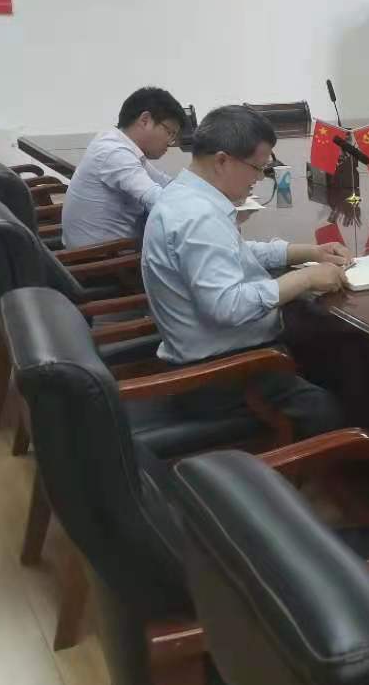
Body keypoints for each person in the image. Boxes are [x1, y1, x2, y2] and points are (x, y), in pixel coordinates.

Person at [141, 105, 353, 438]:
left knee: (325, 348)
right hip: (217, 378)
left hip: (211, 357)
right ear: (222, 161)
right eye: (258, 168)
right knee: (337, 397)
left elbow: (232, 254)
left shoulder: (186, 196)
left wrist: (306, 252)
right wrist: (305, 277)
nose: (258, 178)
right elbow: (228, 306)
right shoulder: (198, 217)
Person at [61, 87, 186, 248]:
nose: (171, 143)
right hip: (102, 258)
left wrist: (202, 192)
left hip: (104, 251)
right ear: (145, 120)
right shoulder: (114, 152)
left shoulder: (115, 142)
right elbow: (158, 199)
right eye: (170, 133)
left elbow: (164, 182)